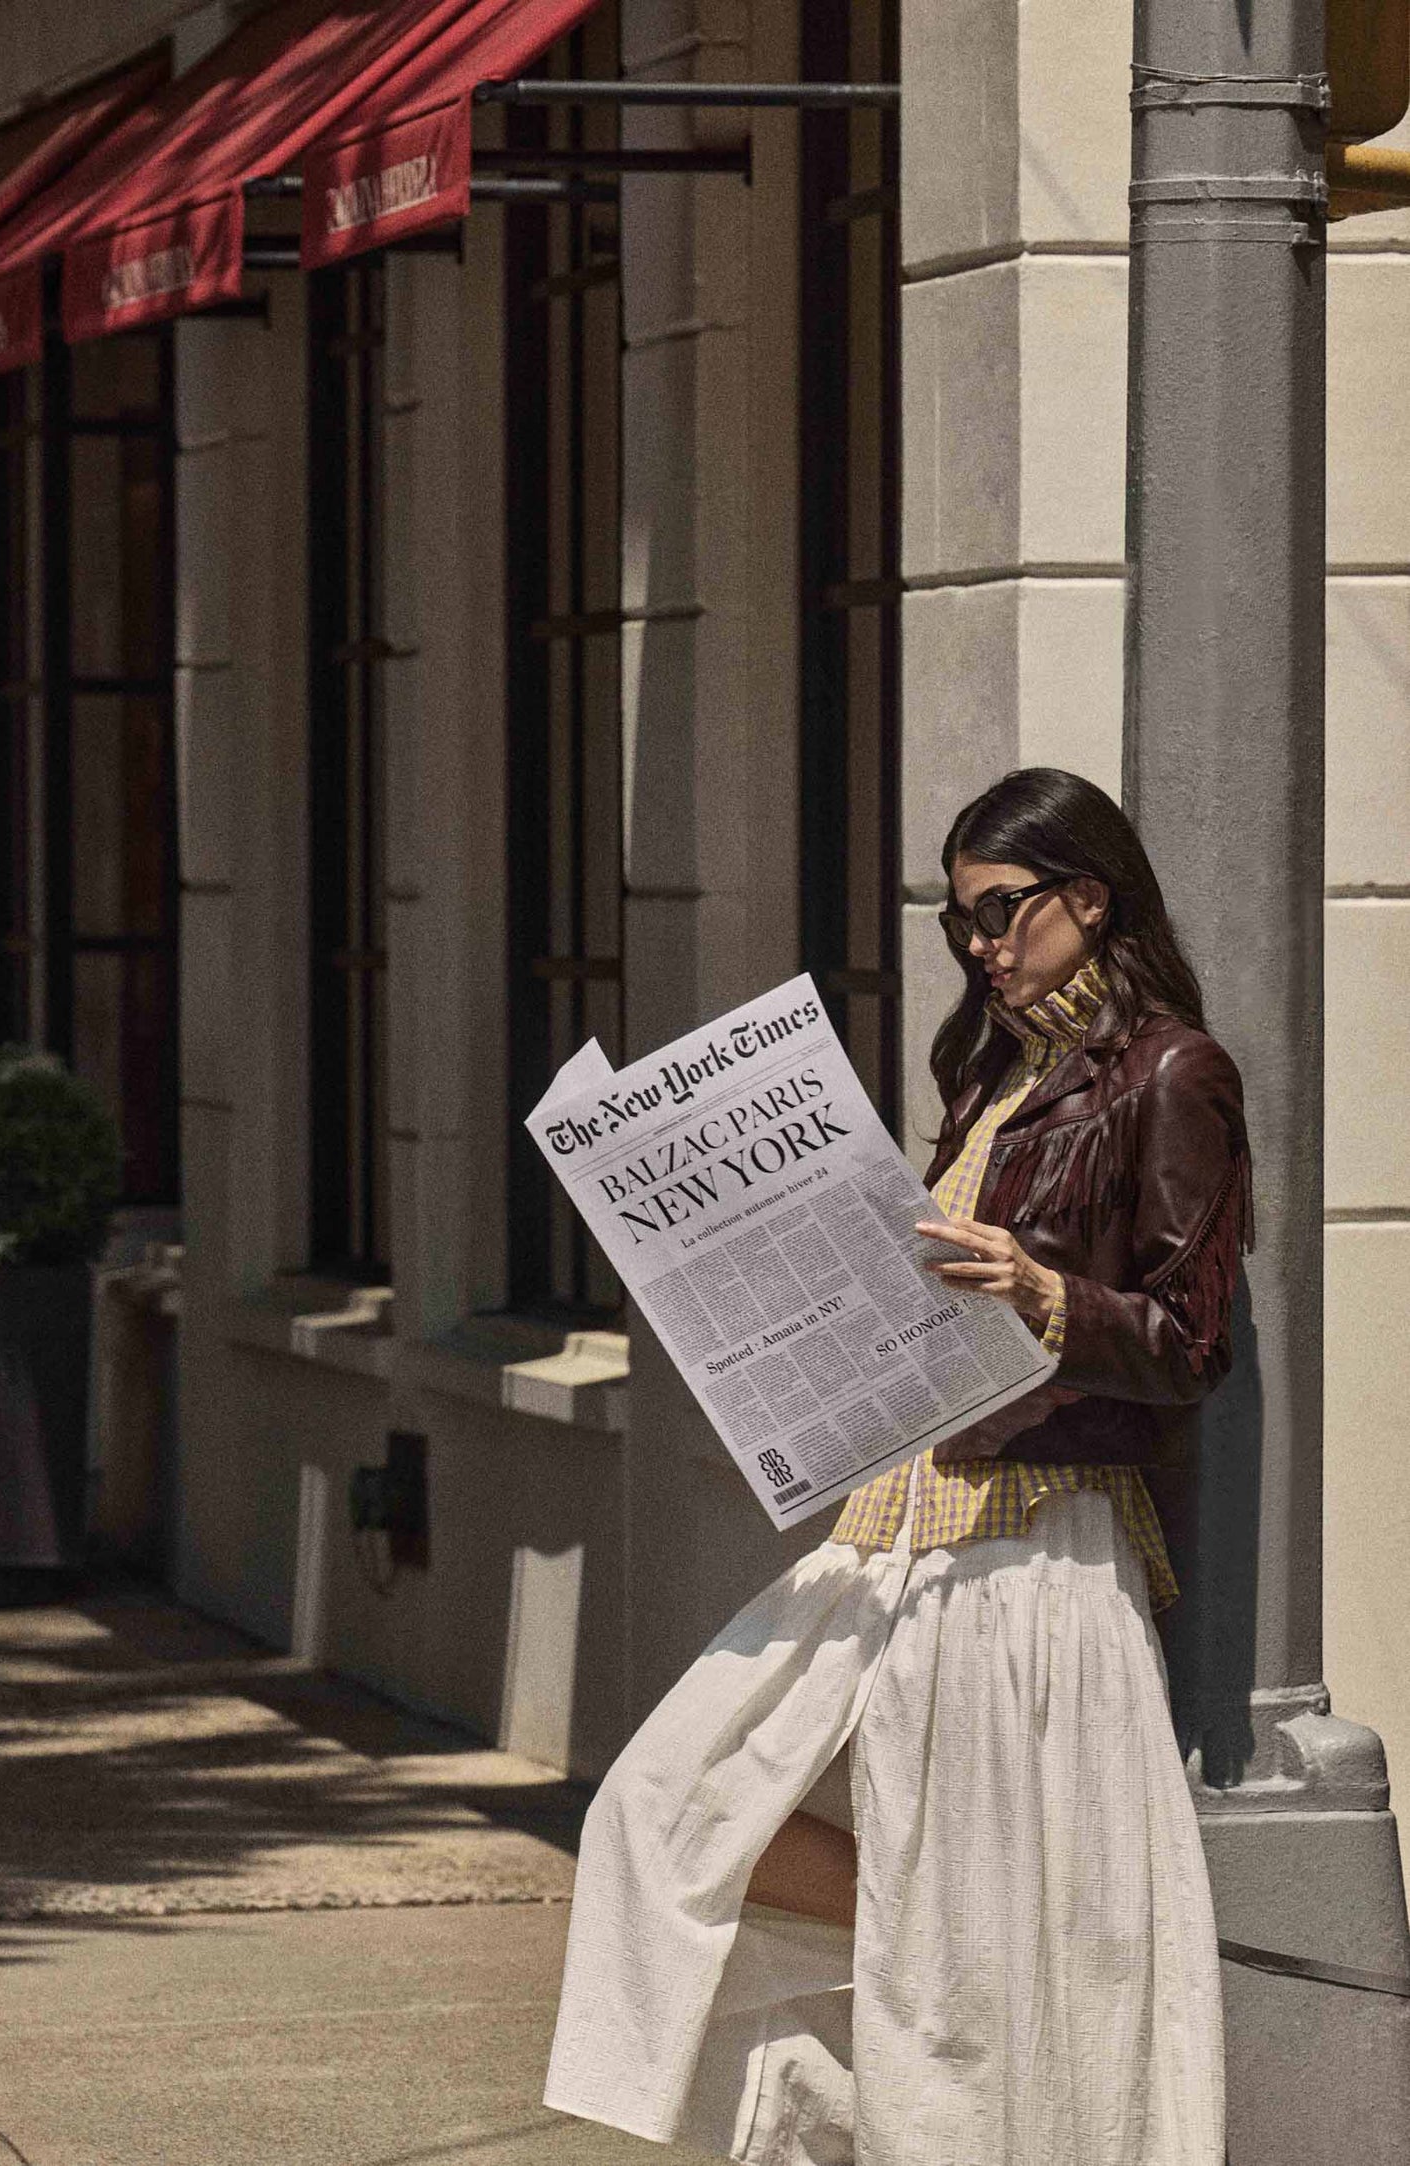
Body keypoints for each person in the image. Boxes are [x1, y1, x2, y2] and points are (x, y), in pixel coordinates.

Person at [542, 766, 1254, 2166]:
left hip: (1034, 1533)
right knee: (665, 1806)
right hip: (888, 1531)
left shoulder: (1173, 1071)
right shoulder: (986, 1072)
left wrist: (1048, 1296)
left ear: (1087, 897)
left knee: (964, 1944)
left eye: (998, 911)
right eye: (956, 920)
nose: (977, 945)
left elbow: (1190, 1344)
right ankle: (928, 2049)